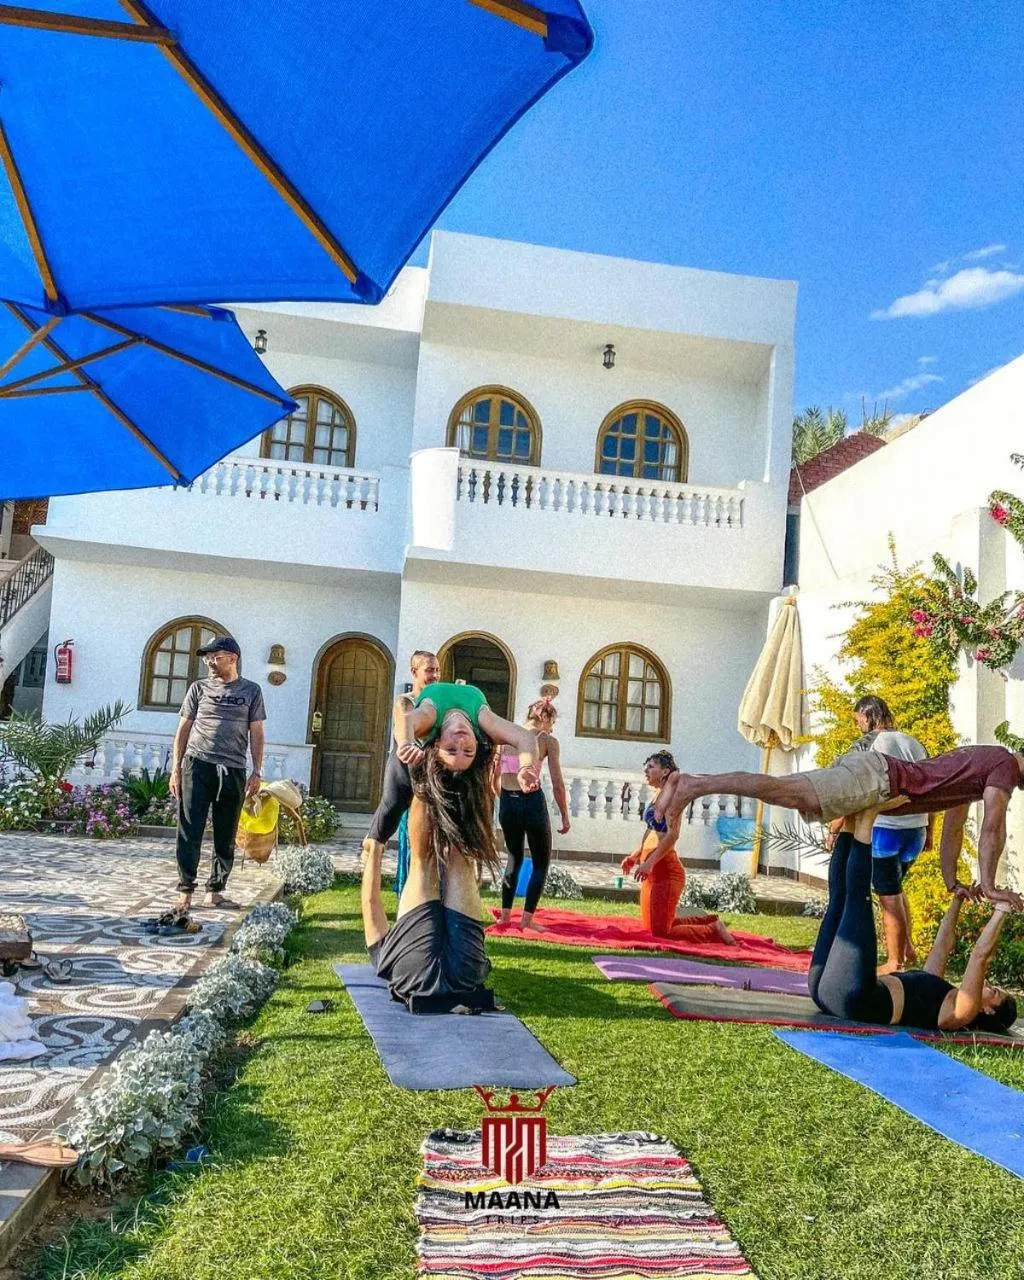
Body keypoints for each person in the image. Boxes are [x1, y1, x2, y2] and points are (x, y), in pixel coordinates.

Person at [655, 742, 1024, 909]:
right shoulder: (1004, 766)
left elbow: (953, 831)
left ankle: (695, 784)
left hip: (875, 775)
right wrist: (991, 887)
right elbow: (993, 826)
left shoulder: (983, 763)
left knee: (785, 792)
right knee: (784, 791)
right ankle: (694, 785)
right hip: (878, 778)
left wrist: (952, 882)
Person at [360, 682, 539, 1012]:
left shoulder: (432, 717)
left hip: (421, 977)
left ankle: (431, 792)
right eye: (463, 750)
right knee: (456, 858)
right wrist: (373, 856)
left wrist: (373, 852)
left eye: (464, 750)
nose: (461, 743)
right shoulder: (480, 721)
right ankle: (442, 802)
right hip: (463, 977)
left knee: (424, 860)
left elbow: (371, 906)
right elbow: (372, 913)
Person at [809, 830, 1017, 1033]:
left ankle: (864, 823)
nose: (988, 983)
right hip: (827, 992)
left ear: (988, 1011)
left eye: (995, 992)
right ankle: (850, 825)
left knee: (856, 899)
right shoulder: (941, 993)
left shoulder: (961, 1012)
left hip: (854, 998)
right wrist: (958, 900)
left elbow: (980, 957)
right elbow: (942, 945)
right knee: (838, 900)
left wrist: (1002, 910)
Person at [170, 636, 265, 913]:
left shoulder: (251, 691)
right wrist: (176, 769)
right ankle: (185, 891)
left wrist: (257, 770)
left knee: (226, 834)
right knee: (190, 830)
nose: (210, 662)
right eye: (207, 658)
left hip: (234, 769)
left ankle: (216, 891)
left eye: (216, 656)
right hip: (198, 765)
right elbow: (183, 729)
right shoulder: (198, 689)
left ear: (233, 658)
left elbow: (256, 732)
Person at [843, 696, 932, 972]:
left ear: (869, 716)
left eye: (859, 719)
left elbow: (853, 787)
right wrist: (930, 831)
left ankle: (896, 961)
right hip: (915, 830)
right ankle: (906, 947)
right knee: (896, 886)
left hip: (885, 830)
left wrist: (838, 824)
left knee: (888, 894)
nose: (858, 725)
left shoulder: (868, 745)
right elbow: (933, 787)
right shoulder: (914, 743)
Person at [621, 751, 736, 945]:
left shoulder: (674, 796)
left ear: (665, 771)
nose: (645, 770)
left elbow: (672, 835)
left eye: (651, 767)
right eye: (646, 766)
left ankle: (712, 929)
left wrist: (648, 863)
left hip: (666, 872)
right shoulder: (658, 793)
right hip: (653, 871)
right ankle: (710, 922)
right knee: (654, 928)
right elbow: (650, 832)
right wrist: (634, 856)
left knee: (661, 933)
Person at [495, 697, 571, 932]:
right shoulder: (546, 740)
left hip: (508, 801)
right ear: (545, 718)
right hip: (532, 803)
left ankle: (505, 916)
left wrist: (506, 800)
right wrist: (564, 815)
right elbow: (557, 782)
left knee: (514, 858)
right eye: (552, 722)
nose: (552, 728)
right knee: (540, 862)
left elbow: (492, 779)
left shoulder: (506, 737)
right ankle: (527, 920)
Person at [386, 651, 440, 899]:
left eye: (437, 670)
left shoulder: (440, 703)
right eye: (429, 670)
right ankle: (408, 898)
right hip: (411, 779)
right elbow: (403, 733)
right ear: (414, 672)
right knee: (413, 841)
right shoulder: (405, 702)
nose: (434, 675)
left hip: (436, 781)